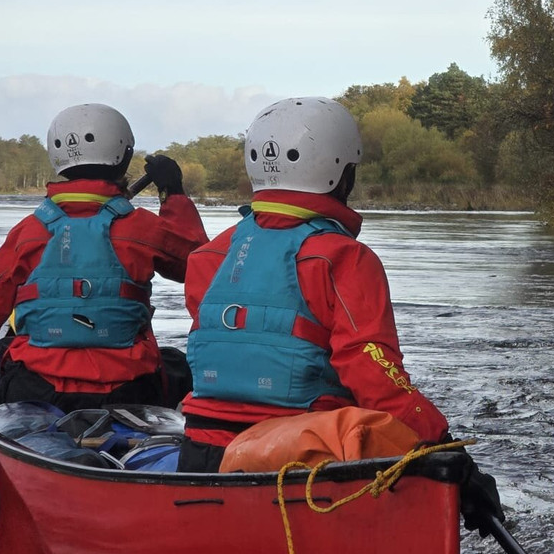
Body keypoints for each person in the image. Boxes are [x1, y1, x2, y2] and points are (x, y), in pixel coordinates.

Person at [177, 96, 504, 536]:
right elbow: (374, 372)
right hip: (302, 465)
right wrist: (447, 454)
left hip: (200, 454)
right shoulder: (345, 259)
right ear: (342, 172)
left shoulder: (208, 256)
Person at [0, 103, 208, 411]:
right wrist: (173, 192)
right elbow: (197, 262)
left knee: (1, 352)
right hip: (129, 389)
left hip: (36, 389)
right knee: (177, 364)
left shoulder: (28, 233)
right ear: (125, 156)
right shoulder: (141, 227)